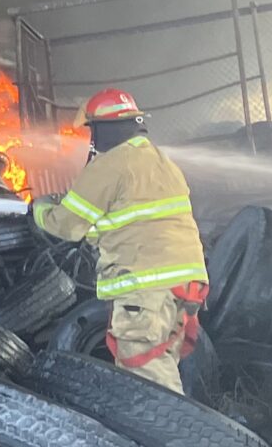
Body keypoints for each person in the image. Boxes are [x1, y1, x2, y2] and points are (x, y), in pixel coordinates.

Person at [31, 88, 207, 391]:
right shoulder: (162, 163)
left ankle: (169, 438)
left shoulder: (109, 166)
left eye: (92, 131)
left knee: (149, 381)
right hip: (186, 286)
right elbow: (129, 222)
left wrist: (39, 210)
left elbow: (67, 226)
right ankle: (174, 433)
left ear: (102, 129)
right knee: (160, 368)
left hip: (146, 287)